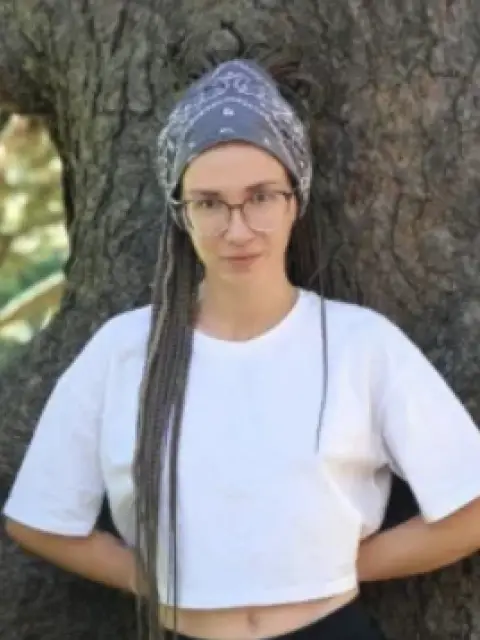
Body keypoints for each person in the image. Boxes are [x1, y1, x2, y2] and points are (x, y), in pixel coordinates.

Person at [4, 58, 480, 640]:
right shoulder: (124, 351)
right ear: (181, 213)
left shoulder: (360, 344)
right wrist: (152, 577)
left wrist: (335, 566)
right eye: (209, 202)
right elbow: (40, 517)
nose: (237, 229)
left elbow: (471, 507)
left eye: (260, 197)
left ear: (294, 200)